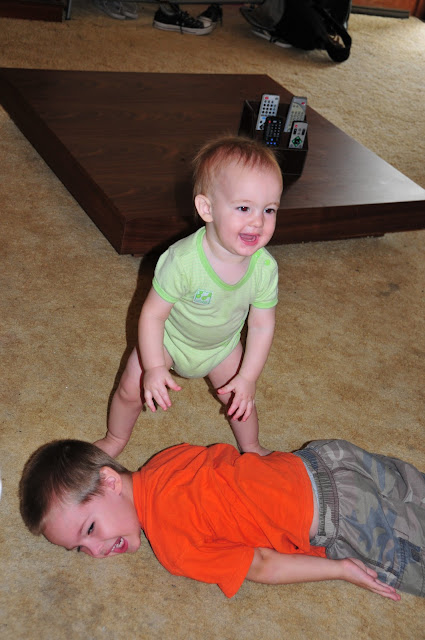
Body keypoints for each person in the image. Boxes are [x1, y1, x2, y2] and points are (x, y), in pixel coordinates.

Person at [19, 436, 425, 600]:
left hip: (342, 519)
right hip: (326, 461)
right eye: (80, 549)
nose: (95, 550)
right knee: (412, 489)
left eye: (90, 530)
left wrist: (339, 569)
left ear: (109, 482)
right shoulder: (165, 459)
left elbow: (262, 563)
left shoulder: (174, 546)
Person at [94, 135, 283, 458]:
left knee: (240, 399)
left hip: (221, 347)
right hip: (170, 341)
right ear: (207, 208)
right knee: (130, 389)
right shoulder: (182, 261)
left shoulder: (264, 269)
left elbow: (262, 325)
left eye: (269, 210)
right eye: (244, 208)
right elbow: (153, 315)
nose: (258, 221)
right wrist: (154, 367)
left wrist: (248, 377)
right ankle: (114, 438)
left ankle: (251, 446)